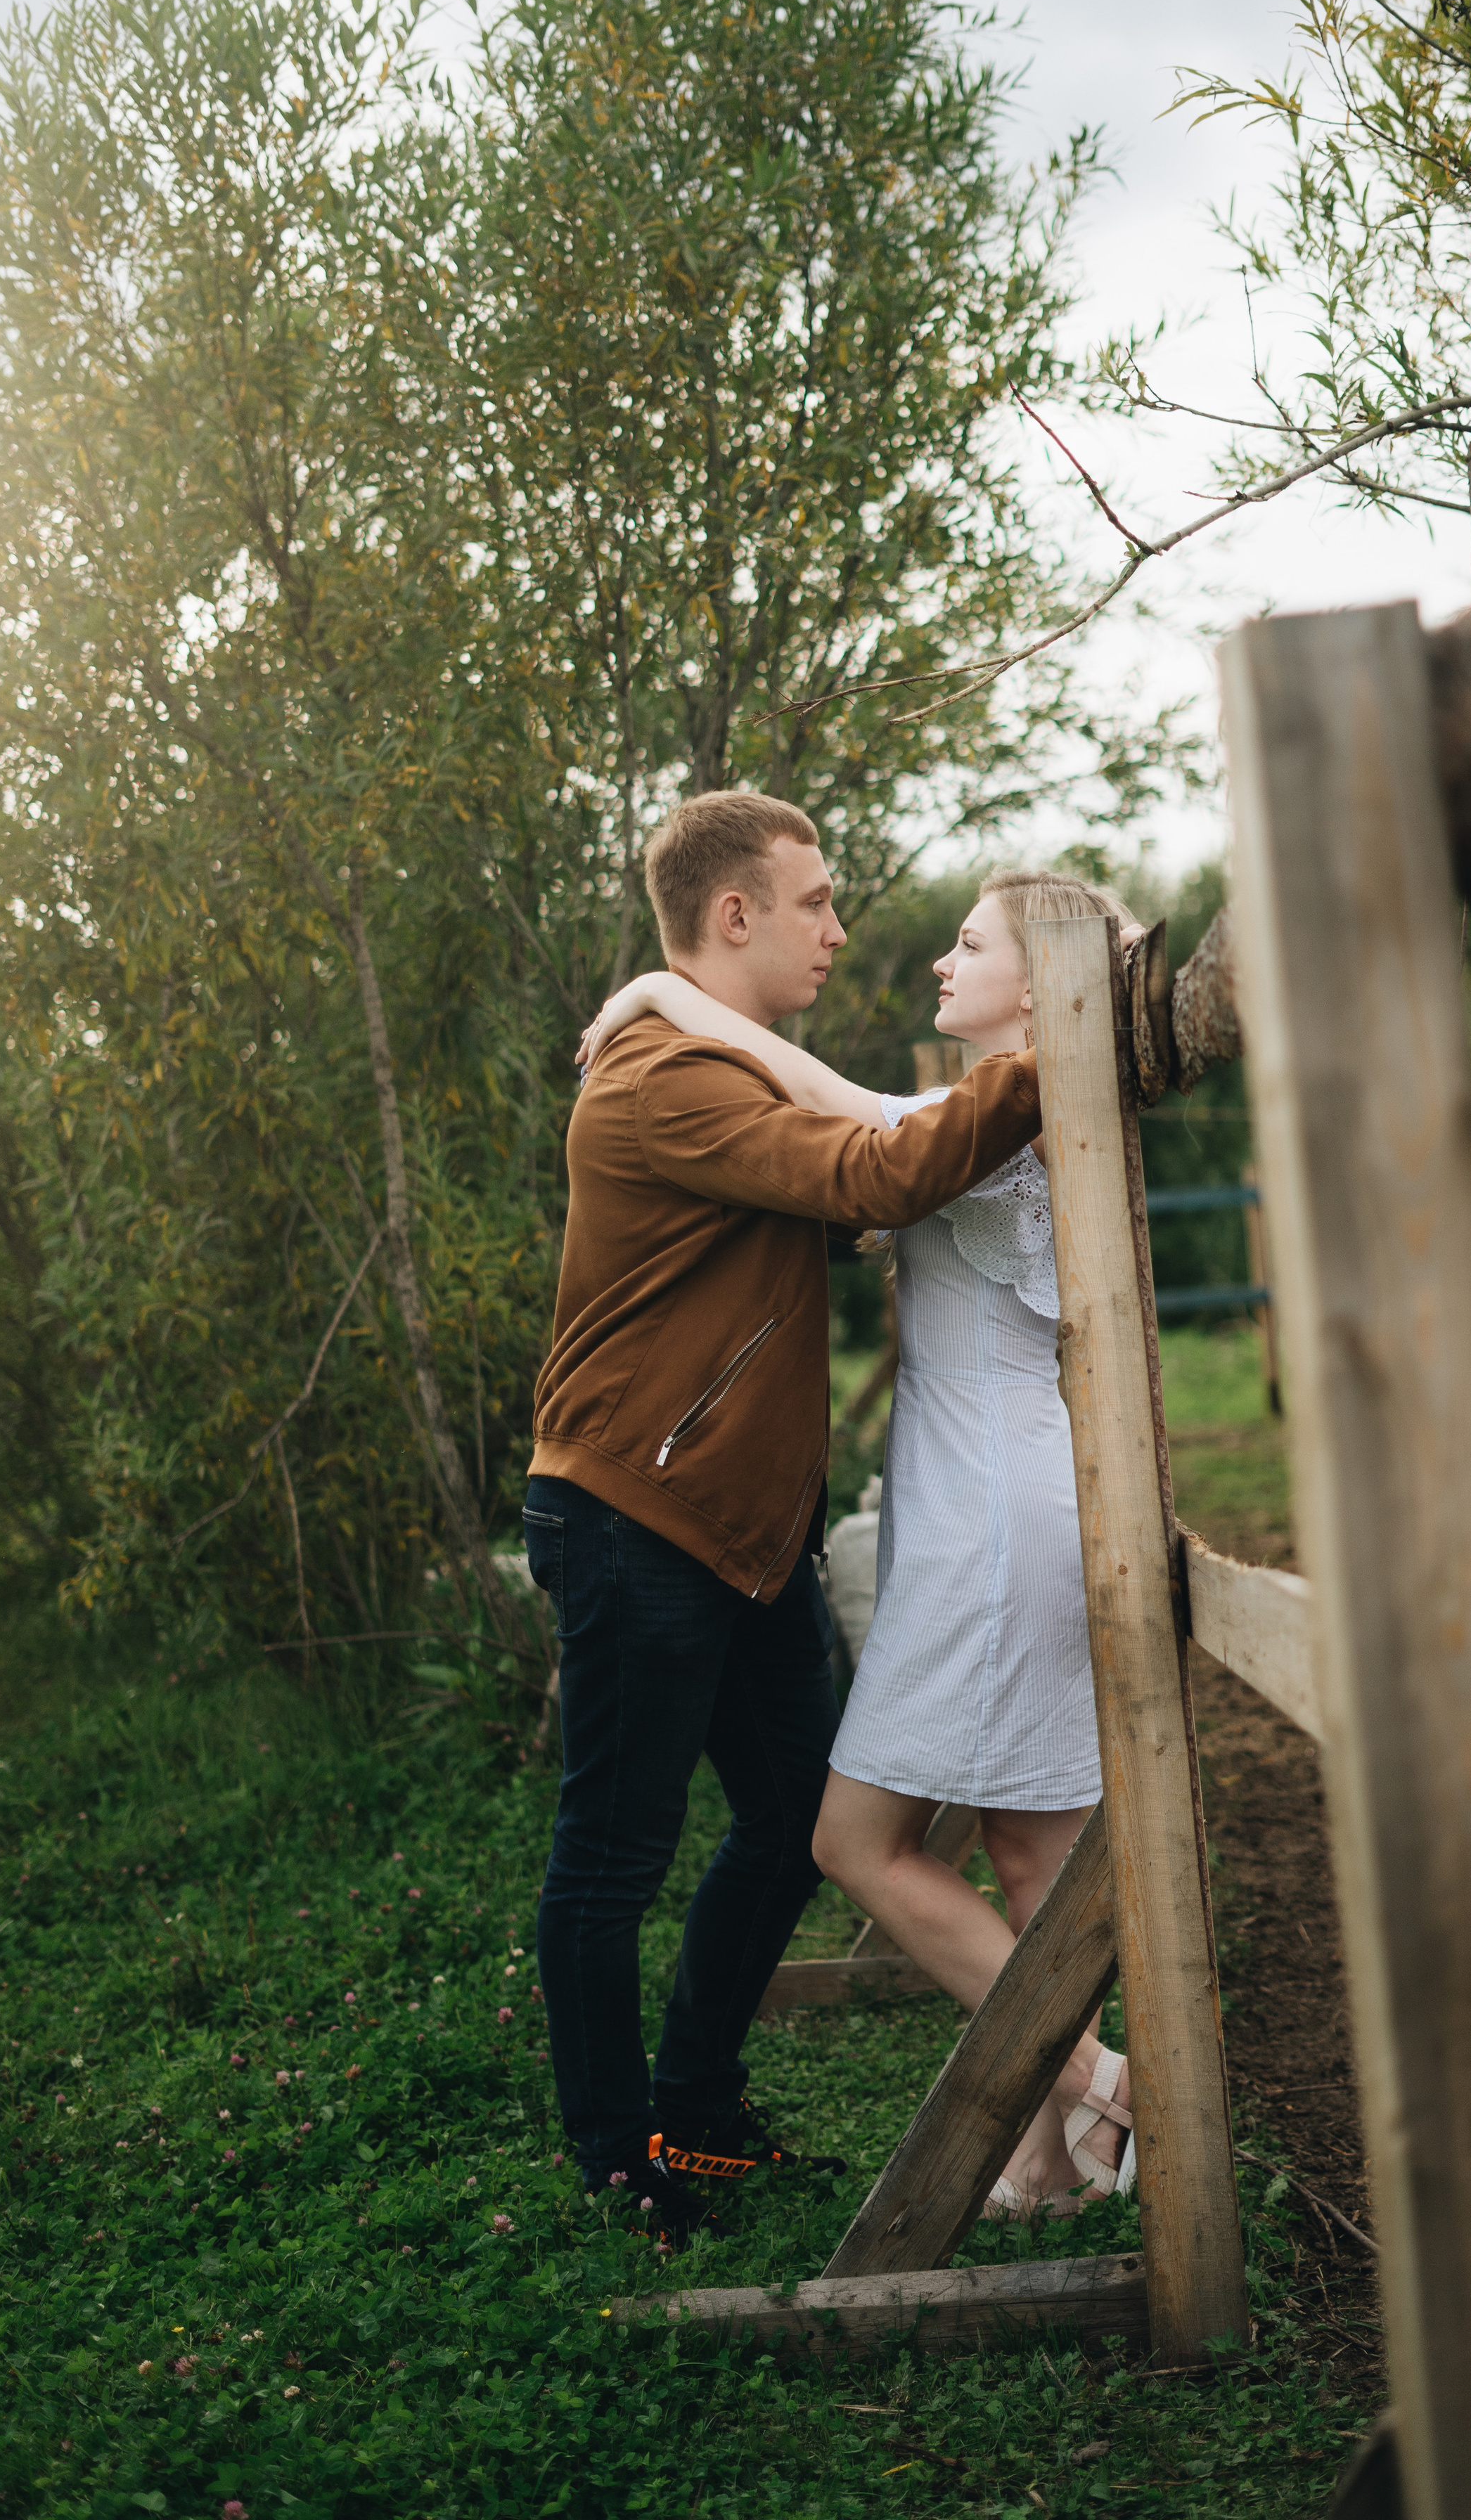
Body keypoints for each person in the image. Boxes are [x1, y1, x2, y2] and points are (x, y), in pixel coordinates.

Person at [527, 791, 1043, 2249]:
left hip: (743, 1532)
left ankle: (693, 2117)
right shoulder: (656, 1082)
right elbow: (871, 1174)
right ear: (732, 915)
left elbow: (847, 1159)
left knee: (791, 1822)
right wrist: (1047, 1054)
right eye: (813, 901)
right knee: (610, 1860)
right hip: (638, 1517)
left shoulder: (712, 1064)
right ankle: (619, 2160)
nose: (838, 924)